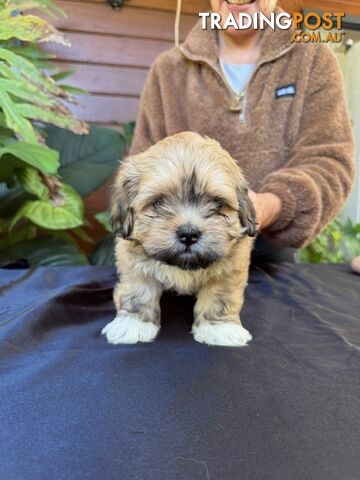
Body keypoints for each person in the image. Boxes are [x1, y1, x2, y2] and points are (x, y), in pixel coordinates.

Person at [129, 0, 355, 264]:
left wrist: (271, 205)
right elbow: (141, 167)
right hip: (175, 248)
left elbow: (329, 160)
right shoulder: (169, 69)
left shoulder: (313, 60)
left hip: (269, 253)